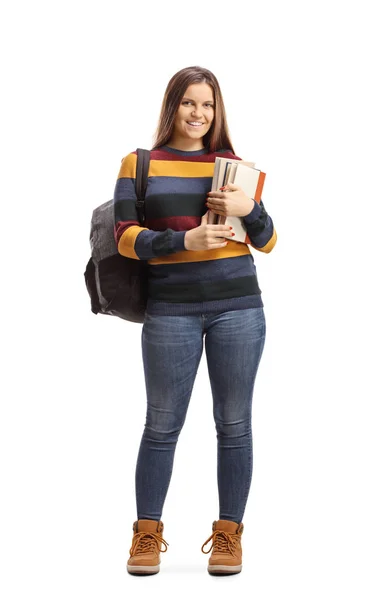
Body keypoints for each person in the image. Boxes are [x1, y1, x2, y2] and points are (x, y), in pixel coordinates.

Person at [113, 65, 278, 576]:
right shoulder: (139, 163)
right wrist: (182, 241)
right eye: (189, 103)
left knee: (234, 424)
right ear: (172, 106)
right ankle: (147, 534)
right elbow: (124, 237)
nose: (198, 114)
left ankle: (228, 535)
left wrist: (248, 207)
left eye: (207, 105)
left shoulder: (232, 166)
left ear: (217, 110)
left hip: (239, 308)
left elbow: (269, 240)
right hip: (170, 311)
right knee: (161, 425)